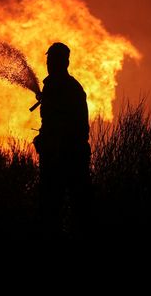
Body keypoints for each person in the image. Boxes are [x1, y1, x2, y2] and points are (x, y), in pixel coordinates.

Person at [33, 42, 91, 238]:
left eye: (54, 60)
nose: (49, 64)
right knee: (50, 210)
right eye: (49, 60)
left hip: (68, 158)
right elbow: (50, 122)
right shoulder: (53, 88)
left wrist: (50, 142)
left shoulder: (71, 89)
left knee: (75, 209)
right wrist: (42, 138)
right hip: (54, 157)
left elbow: (75, 127)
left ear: (64, 62)